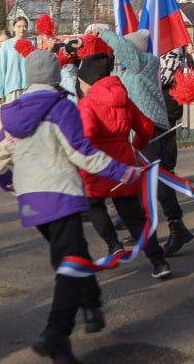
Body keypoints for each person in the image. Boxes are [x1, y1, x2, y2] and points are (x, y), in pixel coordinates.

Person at [0, 49, 140, 364]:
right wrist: (121, 171)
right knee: (71, 266)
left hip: (32, 201)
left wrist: (12, 185)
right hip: (61, 195)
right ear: (56, 76)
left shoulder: (13, 114)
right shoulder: (61, 108)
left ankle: (89, 312)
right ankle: (56, 333)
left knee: (72, 256)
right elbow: (80, 152)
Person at [75, 49, 171, 279]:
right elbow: (146, 127)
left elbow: (85, 136)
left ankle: (113, 244)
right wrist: (136, 146)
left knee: (93, 204)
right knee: (135, 217)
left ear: (88, 82)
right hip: (124, 165)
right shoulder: (124, 99)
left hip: (97, 166)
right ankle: (159, 261)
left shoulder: (87, 104)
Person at [99, 27, 194, 257]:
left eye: (124, 49)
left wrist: (104, 33)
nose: (119, 54)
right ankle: (139, 225)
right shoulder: (127, 70)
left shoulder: (145, 62)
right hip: (137, 131)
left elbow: (124, 51)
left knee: (158, 180)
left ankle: (176, 225)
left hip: (151, 129)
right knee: (138, 180)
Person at [0, 12, 30, 138]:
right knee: (10, 122)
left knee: (24, 122)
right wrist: (0, 92)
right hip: (11, 88)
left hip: (27, 88)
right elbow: (1, 70)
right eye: (19, 26)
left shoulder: (30, 44)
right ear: (14, 28)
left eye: (24, 26)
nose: (22, 28)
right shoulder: (6, 45)